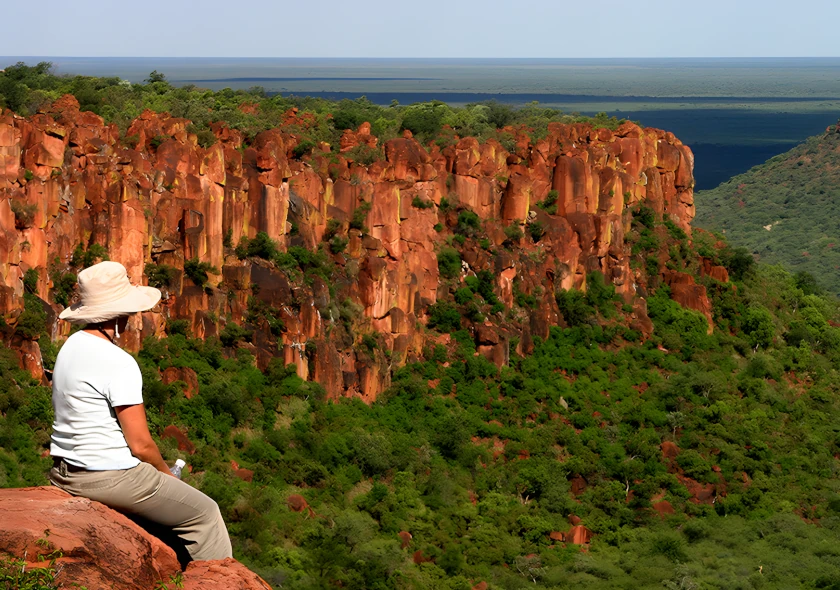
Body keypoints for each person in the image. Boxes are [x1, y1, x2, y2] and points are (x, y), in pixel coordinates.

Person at [49, 260, 232, 562]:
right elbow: (141, 445)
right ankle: (219, 579)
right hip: (109, 478)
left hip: (65, 472)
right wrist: (166, 475)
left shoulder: (69, 346)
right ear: (117, 315)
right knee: (206, 513)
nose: (132, 317)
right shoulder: (118, 361)